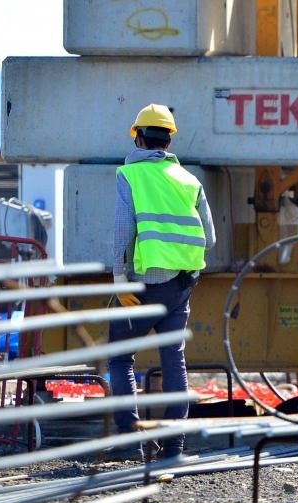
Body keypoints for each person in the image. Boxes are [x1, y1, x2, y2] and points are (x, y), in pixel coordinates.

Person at [107, 103, 216, 460]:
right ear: (169, 142)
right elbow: (210, 237)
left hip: (141, 284)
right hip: (181, 285)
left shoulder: (130, 175)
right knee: (174, 360)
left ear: (138, 137)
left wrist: (120, 278)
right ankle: (173, 446)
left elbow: (124, 230)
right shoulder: (189, 180)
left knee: (121, 358)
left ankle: (130, 442)